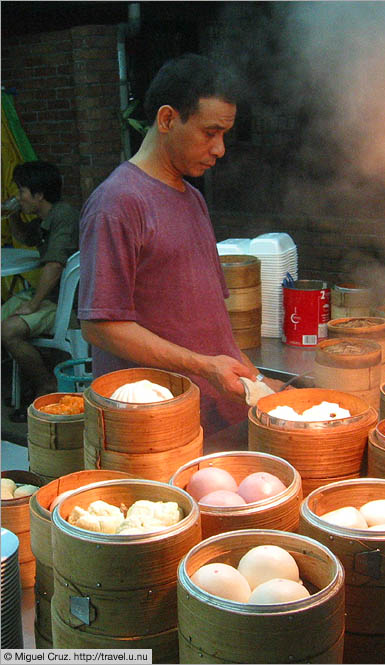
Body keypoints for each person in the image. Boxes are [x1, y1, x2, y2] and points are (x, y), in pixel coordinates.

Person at [78, 53, 281, 437]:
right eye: (210, 132)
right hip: (156, 427)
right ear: (168, 119)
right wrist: (205, 367)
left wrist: (261, 388)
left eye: (224, 134)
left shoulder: (192, 198)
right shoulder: (119, 202)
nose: (220, 149)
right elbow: (101, 326)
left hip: (216, 416)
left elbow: (210, 323)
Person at [2, 161, 79, 421]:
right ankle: (24, 384)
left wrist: (34, 304)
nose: (18, 196)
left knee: (9, 331)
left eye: (22, 190)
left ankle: (46, 386)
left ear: (39, 194)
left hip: (67, 304)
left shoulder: (63, 215)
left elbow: (55, 264)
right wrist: (12, 214)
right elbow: (27, 238)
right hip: (51, 297)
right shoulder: (47, 217)